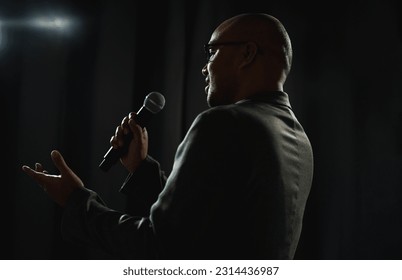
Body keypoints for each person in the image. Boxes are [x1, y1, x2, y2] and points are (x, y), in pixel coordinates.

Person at [22, 13, 314, 259]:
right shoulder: (298, 140)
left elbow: (160, 246)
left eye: (212, 51)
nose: (204, 66)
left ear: (247, 54)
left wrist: (76, 201)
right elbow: (210, 228)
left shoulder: (224, 122)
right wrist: (141, 167)